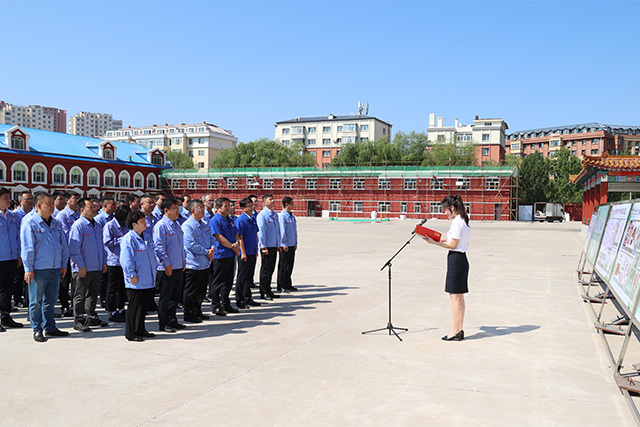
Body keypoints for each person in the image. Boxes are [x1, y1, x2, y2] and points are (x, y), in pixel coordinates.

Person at [21, 192, 70, 342]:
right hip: (39, 269)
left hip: (55, 268)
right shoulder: (30, 222)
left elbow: (63, 245)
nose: (52, 206)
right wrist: (28, 268)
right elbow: (27, 247)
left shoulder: (56, 223)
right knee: (36, 301)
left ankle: (50, 327)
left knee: (51, 300)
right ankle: (37, 329)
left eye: (52, 203)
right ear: (38, 206)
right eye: (49, 203)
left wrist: (63, 264)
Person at [422, 195, 471, 341]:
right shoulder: (463, 219)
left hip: (456, 259)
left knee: (455, 297)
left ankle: (455, 331)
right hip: (461, 259)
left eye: (445, 210)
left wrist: (433, 243)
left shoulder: (457, 222)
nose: (444, 213)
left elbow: (453, 245)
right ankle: (459, 329)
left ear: (452, 208)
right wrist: (441, 239)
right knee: (458, 297)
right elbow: (455, 241)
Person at [68, 198, 108, 332]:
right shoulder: (78, 225)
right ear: (82, 210)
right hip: (83, 267)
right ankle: (78, 320)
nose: (94, 208)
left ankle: (91, 316)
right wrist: (81, 265)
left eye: (94, 206)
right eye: (90, 207)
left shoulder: (97, 225)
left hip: (96, 266)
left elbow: (101, 246)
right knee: (80, 295)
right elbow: (74, 248)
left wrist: (103, 262)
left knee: (93, 294)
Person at [120, 211, 157, 342]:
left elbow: (152, 255)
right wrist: (131, 274)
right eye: (142, 221)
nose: (145, 223)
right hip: (136, 278)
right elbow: (126, 259)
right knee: (134, 306)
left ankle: (141, 329)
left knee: (143, 306)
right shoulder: (128, 239)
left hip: (147, 277)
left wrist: (154, 270)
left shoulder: (146, 236)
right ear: (134, 224)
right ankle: (131, 333)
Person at [153, 197, 186, 333]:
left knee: (175, 297)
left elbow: (180, 245)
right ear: (166, 210)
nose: (177, 212)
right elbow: (159, 247)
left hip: (178, 266)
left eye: (178, 209)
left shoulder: (176, 224)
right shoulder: (161, 226)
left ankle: (173, 320)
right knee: (165, 297)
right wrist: (166, 264)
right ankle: (164, 322)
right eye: (174, 209)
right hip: (167, 268)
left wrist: (183, 260)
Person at [181, 199, 214, 323]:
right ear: (193, 210)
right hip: (193, 264)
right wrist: (207, 252)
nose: (203, 210)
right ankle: (189, 313)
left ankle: (197, 310)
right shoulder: (187, 225)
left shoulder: (204, 224)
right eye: (200, 207)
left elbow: (212, 238)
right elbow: (190, 244)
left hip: (205, 263)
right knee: (191, 291)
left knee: (201, 290)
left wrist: (212, 249)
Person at [210, 197, 242, 315]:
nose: (229, 208)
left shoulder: (230, 219)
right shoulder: (215, 220)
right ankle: (216, 305)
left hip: (230, 254)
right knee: (218, 281)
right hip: (220, 254)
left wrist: (237, 243)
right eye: (226, 206)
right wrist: (232, 246)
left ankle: (226, 303)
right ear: (218, 207)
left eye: (229, 205)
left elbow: (236, 234)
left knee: (228, 281)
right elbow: (219, 237)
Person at [0, 187, 23, 331]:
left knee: (7, 289)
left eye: (9, 197)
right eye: (5, 198)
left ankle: (5, 316)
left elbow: (17, 237)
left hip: (11, 258)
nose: (9, 200)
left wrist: (18, 255)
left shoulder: (12, 216)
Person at [103, 205, 131, 323]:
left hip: (124, 261)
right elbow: (107, 242)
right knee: (112, 287)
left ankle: (121, 308)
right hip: (113, 261)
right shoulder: (110, 226)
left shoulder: (126, 227)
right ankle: (112, 310)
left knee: (122, 288)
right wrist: (122, 240)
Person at [56, 190, 80, 318]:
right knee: (65, 282)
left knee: (77, 282)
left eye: (77, 198)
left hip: (78, 253)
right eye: (74, 198)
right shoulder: (62, 216)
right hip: (66, 254)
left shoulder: (78, 215)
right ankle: (64, 305)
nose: (76, 200)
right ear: (67, 200)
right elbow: (66, 235)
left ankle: (76, 306)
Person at [234, 197, 261, 308]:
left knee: (249, 277)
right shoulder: (241, 220)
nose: (251, 208)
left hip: (252, 251)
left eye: (252, 205)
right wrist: (243, 252)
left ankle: (248, 298)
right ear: (243, 208)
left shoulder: (252, 219)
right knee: (242, 277)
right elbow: (240, 238)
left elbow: (255, 235)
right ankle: (239, 299)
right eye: (249, 206)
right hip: (244, 253)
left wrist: (255, 250)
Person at [12, 191, 34, 310]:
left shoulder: (33, 215)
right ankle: (17, 299)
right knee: (18, 278)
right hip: (18, 252)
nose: (30, 201)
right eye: (27, 199)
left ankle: (26, 299)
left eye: (31, 198)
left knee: (28, 279)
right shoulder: (14, 215)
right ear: (20, 201)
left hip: (29, 252)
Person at [257, 194, 281, 300]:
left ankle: (268, 289)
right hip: (266, 246)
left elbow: (278, 231)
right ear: (264, 202)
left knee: (271, 269)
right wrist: (263, 246)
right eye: (270, 199)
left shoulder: (275, 215)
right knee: (265, 269)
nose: (273, 201)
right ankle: (263, 291)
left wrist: (278, 244)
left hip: (274, 246)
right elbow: (261, 232)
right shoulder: (262, 215)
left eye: (273, 199)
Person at [95, 196, 117, 309]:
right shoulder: (99, 219)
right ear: (105, 206)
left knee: (110, 280)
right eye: (112, 204)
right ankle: (103, 298)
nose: (115, 207)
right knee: (104, 279)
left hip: (112, 253)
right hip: (105, 252)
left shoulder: (114, 219)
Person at [277, 196, 298, 293]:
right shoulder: (282, 216)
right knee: (283, 266)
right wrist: (283, 243)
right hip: (285, 245)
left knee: (290, 265)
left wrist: (295, 243)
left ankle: (288, 284)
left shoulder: (292, 216)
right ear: (286, 205)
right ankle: (281, 285)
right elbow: (282, 231)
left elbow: (294, 231)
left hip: (292, 244)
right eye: (292, 203)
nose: (293, 205)